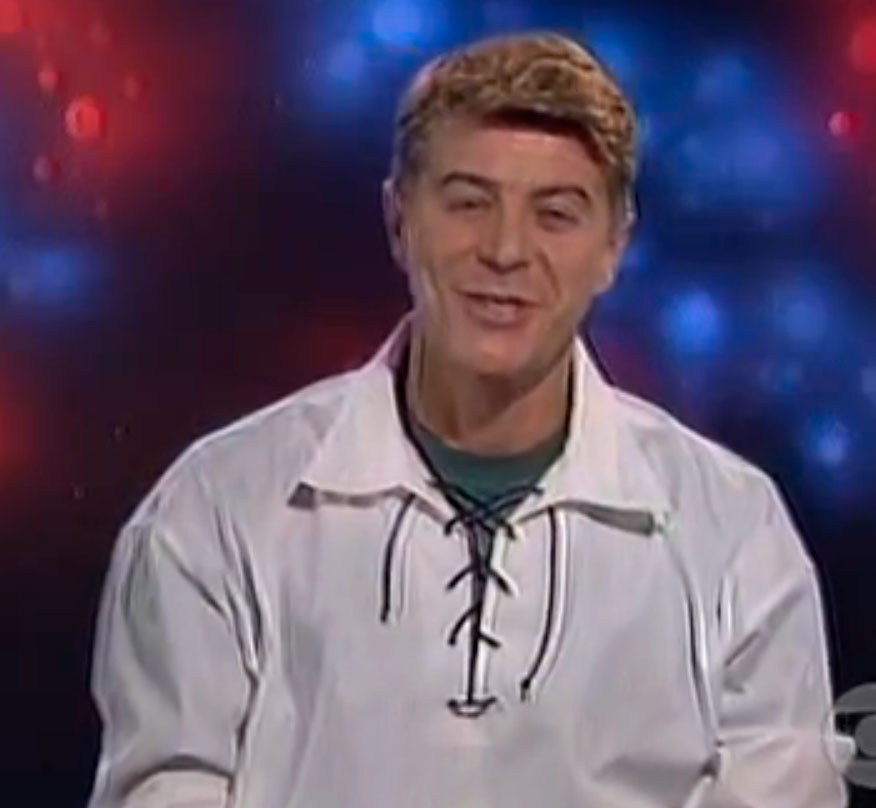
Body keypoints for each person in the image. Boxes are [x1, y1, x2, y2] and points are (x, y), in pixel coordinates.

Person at [86, 31, 852, 808]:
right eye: (468, 203)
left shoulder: (733, 531)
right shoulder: (217, 508)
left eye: (556, 214)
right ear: (399, 219)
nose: (507, 250)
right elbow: (163, 785)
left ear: (613, 246)